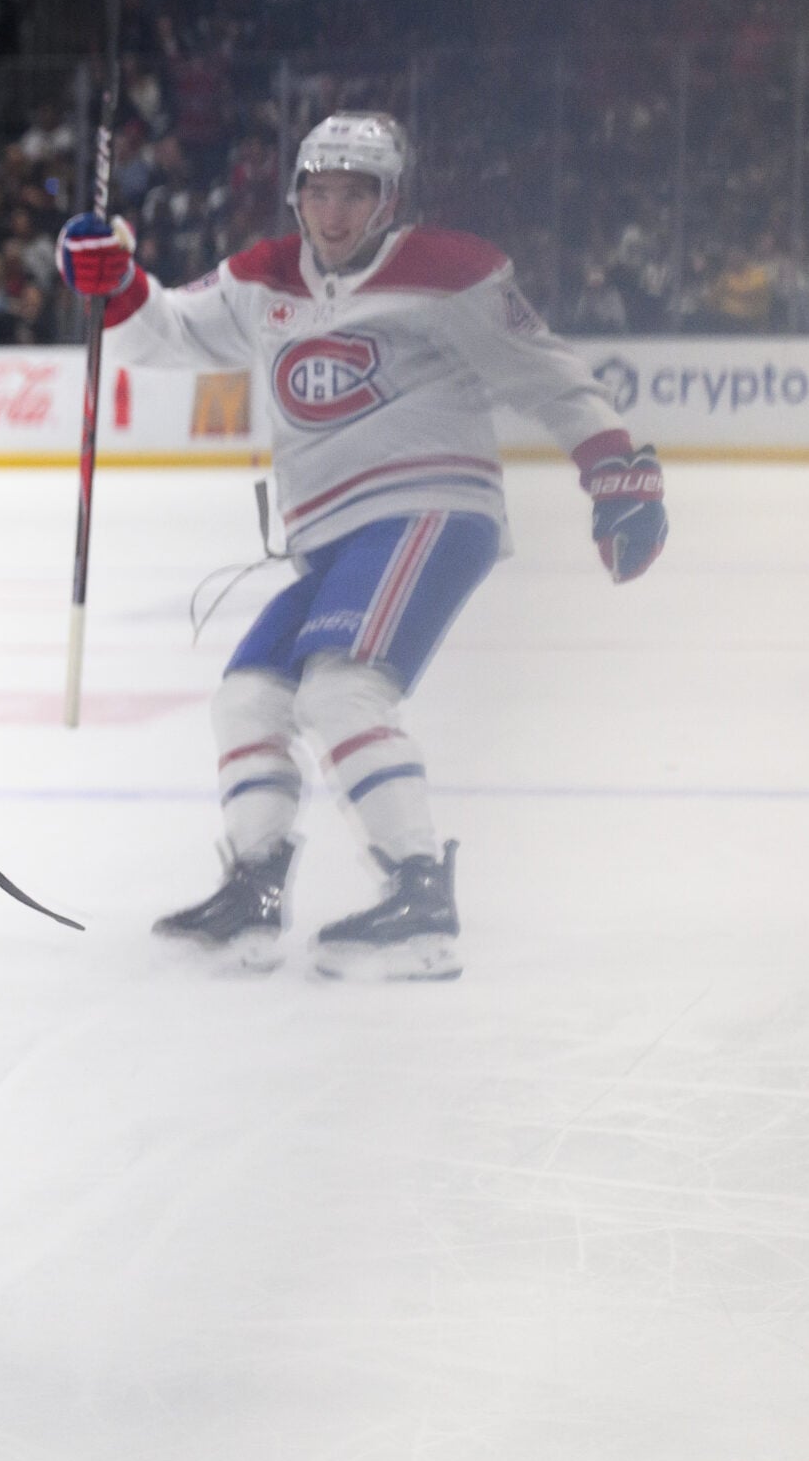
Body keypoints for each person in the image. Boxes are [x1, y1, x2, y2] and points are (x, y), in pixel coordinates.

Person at [56, 111, 667, 981]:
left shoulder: (450, 273)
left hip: (431, 508)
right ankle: (256, 888)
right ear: (295, 194)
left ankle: (421, 893)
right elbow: (168, 334)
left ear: (389, 202)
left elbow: (549, 375)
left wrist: (616, 473)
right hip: (331, 538)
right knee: (249, 697)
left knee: (343, 690)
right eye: (318, 191)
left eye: (356, 193)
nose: (333, 213)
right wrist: (113, 282)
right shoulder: (262, 277)